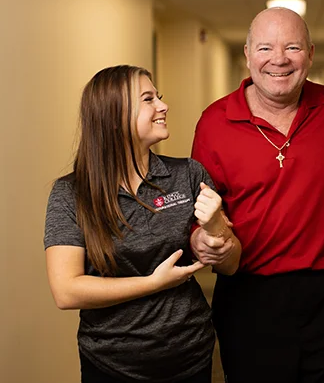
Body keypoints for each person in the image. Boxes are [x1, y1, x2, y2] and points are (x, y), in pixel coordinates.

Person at [190, 7, 324, 383]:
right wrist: (203, 240)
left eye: (293, 47)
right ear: (247, 56)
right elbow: (200, 211)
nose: (279, 59)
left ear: (311, 55)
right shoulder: (215, 122)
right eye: (265, 48)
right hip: (249, 295)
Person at [44, 65, 241, 383]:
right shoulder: (72, 193)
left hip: (190, 353)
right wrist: (155, 282)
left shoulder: (188, 174)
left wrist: (217, 226)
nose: (163, 106)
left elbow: (231, 264)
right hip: (111, 363)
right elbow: (66, 290)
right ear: (114, 116)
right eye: (148, 99)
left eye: (158, 97)